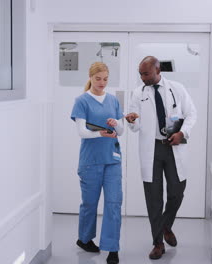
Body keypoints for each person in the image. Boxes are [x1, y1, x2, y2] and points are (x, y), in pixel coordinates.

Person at [125, 56, 197, 260]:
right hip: (152, 149)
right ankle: (157, 242)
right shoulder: (138, 93)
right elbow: (135, 125)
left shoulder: (177, 88)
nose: (142, 77)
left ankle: (166, 225)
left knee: (177, 191)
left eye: (145, 73)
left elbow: (191, 114)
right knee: (153, 197)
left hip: (173, 146)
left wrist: (182, 133)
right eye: (140, 73)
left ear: (157, 70)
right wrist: (131, 120)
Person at [70, 62, 124, 264]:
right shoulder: (82, 101)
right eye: (98, 78)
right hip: (91, 162)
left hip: (112, 160)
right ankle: (84, 239)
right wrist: (99, 132)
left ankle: (112, 248)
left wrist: (116, 124)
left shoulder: (112, 100)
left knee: (113, 204)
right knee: (90, 204)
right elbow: (81, 131)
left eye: (105, 79)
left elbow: (121, 131)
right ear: (90, 77)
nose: (102, 83)